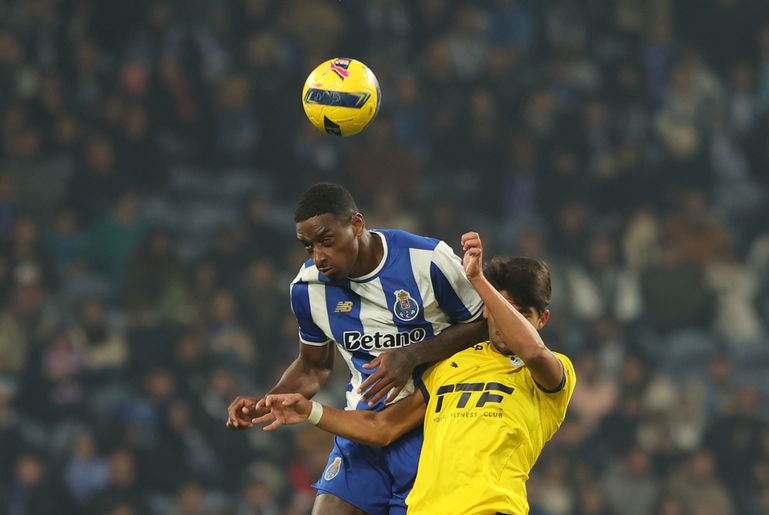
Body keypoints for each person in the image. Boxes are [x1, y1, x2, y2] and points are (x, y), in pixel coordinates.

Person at [256, 231, 576, 515]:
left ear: (543, 319)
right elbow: (382, 427)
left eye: (520, 314)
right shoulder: (451, 366)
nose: (506, 323)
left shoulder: (551, 375)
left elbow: (532, 350)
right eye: (500, 311)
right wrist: (309, 410)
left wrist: (479, 279)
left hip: (491, 508)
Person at [226, 183, 487, 515]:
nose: (318, 256)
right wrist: (268, 399)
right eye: (308, 247)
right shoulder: (307, 288)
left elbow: (483, 326)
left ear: (357, 225)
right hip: (362, 427)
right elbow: (313, 367)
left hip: (434, 428)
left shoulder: (426, 260)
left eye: (326, 241)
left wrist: (413, 355)